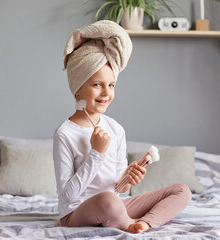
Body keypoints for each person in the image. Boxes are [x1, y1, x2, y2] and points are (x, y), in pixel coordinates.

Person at [53, 20, 192, 234]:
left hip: (114, 205)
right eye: (97, 84)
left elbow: (117, 189)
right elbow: (67, 196)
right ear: (77, 89)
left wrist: (127, 179)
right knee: (108, 200)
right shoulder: (65, 134)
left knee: (181, 190)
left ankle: (143, 223)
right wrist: (96, 154)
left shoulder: (115, 129)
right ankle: (129, 223)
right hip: (76, 212)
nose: (106, 93)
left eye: (111, 85)